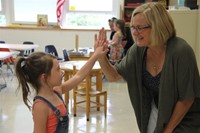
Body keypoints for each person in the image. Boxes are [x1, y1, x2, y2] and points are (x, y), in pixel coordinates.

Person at [95, 2, 200, 133]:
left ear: (158, 26)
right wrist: (101, 58)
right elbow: (113, 76)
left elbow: (186, 98)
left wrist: (167, 130)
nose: (135, 32)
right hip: (160, 112)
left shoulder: (181, 51)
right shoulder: (138, 51)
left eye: (140, 28)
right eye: (133, 27)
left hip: (186, 117)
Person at [14, 45, 107, 133]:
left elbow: (78, 76)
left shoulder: (57, 91)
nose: (62, 72)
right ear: (44, 77)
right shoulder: (40, 106)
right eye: (58, 69)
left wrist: (95, 56)